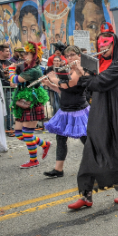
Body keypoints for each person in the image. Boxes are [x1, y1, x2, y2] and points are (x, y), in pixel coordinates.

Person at [67, 23, 118, 209]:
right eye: (100, 45)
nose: (103, 48)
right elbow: (88, 87)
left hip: (116, 114)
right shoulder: (98, 64)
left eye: (107, 45)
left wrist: (83, 72)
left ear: (115, 45)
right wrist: (80, 72)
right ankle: (86, 196)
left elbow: (99, 83)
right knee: (91, 151)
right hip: (98, 113)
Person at [42, 46, 89, 178]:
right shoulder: (68, 70)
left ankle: (99, 164)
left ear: (79, 56)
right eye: (67, 56)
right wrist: (50, 85)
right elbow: (63, 90)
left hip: (78, 110)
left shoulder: (80, 70)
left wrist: (53, 77)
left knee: (86, 140)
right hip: (65, 110)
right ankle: (58, 169)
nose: (69, 58)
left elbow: (71, 83)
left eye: (72, 55)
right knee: (60, 138)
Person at [7, 42, 51, 167]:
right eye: (24, 54)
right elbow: (13, 84)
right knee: (19, 134)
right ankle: (44, 144)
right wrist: (13, 74)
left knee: (27, 133)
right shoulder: (26, 68)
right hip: (23, 103)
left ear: (35, 56)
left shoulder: (34, 70)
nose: (24, 56)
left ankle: (34, 160)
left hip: (31, 103)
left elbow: (15, 80)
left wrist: (11, 70)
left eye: (27, 54)